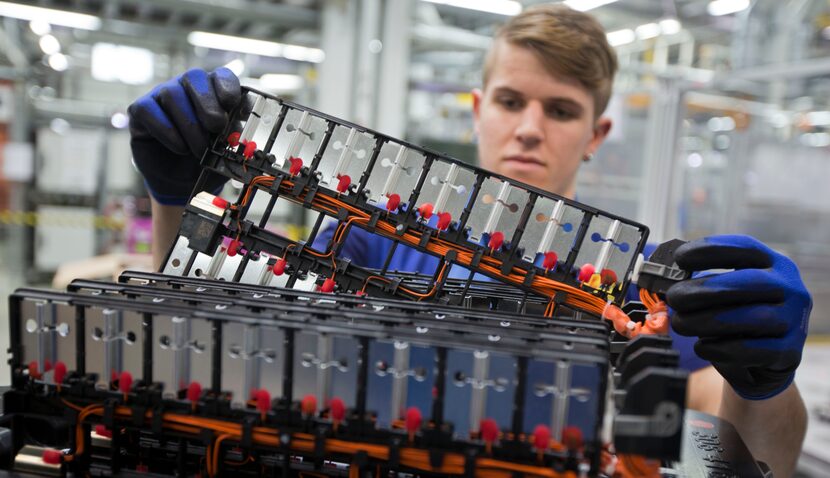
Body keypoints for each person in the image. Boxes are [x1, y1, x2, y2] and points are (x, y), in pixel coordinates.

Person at [128, 4, 810, 476]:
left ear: (596, 135)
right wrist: (176, 201)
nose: (530, 128)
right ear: (480, 110)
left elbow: (748, 456)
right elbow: (211, 335)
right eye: (512, 101)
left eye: (562, 109)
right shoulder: (369, 240)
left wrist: (767, 384)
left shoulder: (641, 289)